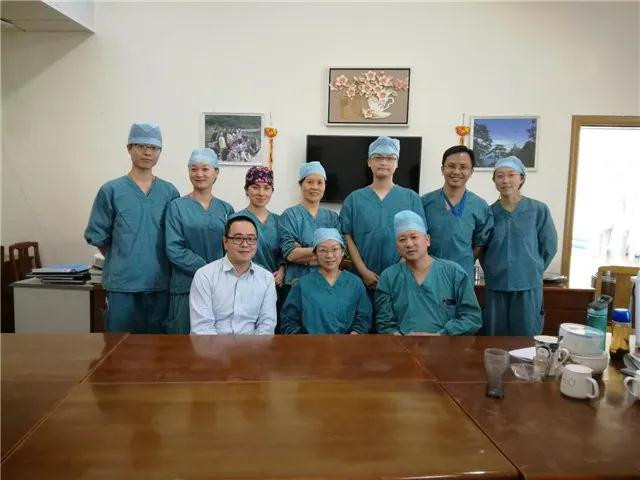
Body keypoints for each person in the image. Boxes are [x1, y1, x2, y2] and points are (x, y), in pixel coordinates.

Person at [85, 122, 179, 333]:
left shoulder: (169, 192)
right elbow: (98, 237)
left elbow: (175, 237)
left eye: (153, 147)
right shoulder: (111, 190)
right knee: (120, 345)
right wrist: (124, 258)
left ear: (160, 152)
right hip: (122, 285)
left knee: (159, 347)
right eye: (141, 146)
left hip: (159, 283)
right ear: (129, 148)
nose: (147, 152)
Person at [340, 136, 425, 302]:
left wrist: (395, 272)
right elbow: (346, 236)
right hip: (360, 280)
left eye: (390, 158)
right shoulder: (354, 199)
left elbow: (418, 238)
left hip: (401, 277)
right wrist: (363, 271)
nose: (384, 162)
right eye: (378, 157)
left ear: (397, 163)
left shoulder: (411, 198)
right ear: (369, 162)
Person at [482, 156, 557, 336]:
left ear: (521, 178)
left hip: (528, 285)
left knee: (526, 339)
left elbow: (549, 246)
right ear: (494, 180)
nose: (505, 180)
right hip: (496, 285)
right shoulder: (489, 213)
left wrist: (532, 269)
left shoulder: (538, 210)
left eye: (511, 175)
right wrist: (494, 270)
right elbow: (482, 248)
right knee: (494, 338)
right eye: (500, 176)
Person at [375, 211, 482, 335]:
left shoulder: (454, 273)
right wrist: (401, 338)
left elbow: (472, 318)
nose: (409, 244)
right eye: (402, 239)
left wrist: (440, 336)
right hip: (403, 345)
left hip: (446, 344)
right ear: (397, 246)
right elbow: (384, 323)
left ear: (427, 240)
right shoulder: (388, 277)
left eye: (414, 237)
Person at [165, 148, 234, 334]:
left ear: (216, 172)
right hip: (186, 286)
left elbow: (233, 247)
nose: (199, 174)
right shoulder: (176, 207)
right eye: (193, 169)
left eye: (205, 169)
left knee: (217, 344)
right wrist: (207, 270)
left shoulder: (226, 209)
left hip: (220, 288)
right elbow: (174, 248)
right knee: (183, 344)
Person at [189, 215, 277, 335]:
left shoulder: (266, 278)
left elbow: (267, 325)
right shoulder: (205, 275)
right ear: (225, 242)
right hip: (212, 345)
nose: (245, 244)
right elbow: (202, 327)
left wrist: (252, 347)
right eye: (238, 238)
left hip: (253, 345)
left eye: (251, 239)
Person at [280, 228, 372, 335]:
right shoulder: (302, 285)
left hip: (347, 344)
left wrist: (352, 336)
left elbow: (364, 319)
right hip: (310, 344)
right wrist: (306, 340)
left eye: (335, 249)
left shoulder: (355, 283)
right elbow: (289, 322)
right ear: (315, 254)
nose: (329, 255)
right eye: (323, 250)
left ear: (343, 252)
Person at [421, 145, 493, 280]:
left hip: (462, 275)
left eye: (463, 167)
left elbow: (479, 243)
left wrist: (464, 262)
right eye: (451, 166)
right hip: (428, 275)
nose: (456, 171)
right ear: (442, 169)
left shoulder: (480, 206)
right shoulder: (424, 202)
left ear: (471, 171)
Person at [279, 161, 340, 288]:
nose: (315, 187)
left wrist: (303, 253)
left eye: (320, 182)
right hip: (296, 283)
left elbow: (339, 254)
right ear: (300, 184)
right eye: (310, 182)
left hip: (327, 282)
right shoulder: (290, 215)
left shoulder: (332, 218)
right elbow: (290, 254)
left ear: (325, 186)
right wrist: (326, 252)